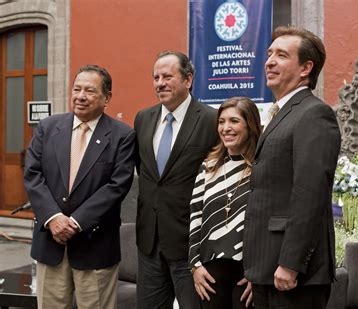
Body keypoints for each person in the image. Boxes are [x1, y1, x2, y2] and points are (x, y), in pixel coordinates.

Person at [243, 26, 342, 308]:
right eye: (269, 54)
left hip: (293, 275)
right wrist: (257, 266)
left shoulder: (314, 113)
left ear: (305, 68)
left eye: (282, 55)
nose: (269, 61)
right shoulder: (281, 114)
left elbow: (310, 195)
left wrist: (290, 263)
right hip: (267, 269)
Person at [24, 64, 136, 308]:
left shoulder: (122, 136)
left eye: (90, 90)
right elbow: (33, 174)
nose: (81, 96)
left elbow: (117, 186)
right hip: (50, 245)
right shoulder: (48, 127)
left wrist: (75, 223)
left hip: (95, 247)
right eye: (77, 89)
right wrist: (53, 218)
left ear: (107, 98)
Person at [134, 51, 218, 308]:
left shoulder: (211, 120)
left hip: (191, 247)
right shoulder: (143, 119)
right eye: (156, 77)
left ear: (188, 80)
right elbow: (147, 173)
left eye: (168, 76)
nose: (160, 83)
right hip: (150, 242)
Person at [189, 97, 261, 308]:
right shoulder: (208, 167)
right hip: (210, 275)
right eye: (221, 122)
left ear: (250, 125)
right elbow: (195, 216)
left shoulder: (262, 168)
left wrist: (260, 272)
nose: (226, 128)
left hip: (248, 273)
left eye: (234, 121)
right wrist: (194, 266)